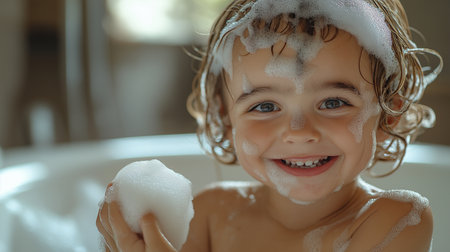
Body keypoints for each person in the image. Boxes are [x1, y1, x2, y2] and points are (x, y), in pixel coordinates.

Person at [96, 0, 443, 251]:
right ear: (224, 117)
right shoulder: (210, 215)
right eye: (265, 106)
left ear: (389, 115)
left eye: (333, 103)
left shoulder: (393, 221)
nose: (298, 131)